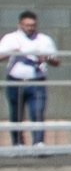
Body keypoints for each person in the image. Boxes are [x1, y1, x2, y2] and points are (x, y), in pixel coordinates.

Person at [0, 12, 58, 145]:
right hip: (15, 81)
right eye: (27, 25)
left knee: (37, 112)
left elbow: (56, 61)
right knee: (16, 114)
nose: (30, 28)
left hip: (36, 82)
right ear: (20, 24)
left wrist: (45, 58)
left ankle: (38, 142)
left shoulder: (44, 40)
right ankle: (18, 143)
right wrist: (12, 53)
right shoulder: (10, 38)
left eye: (33, 25)